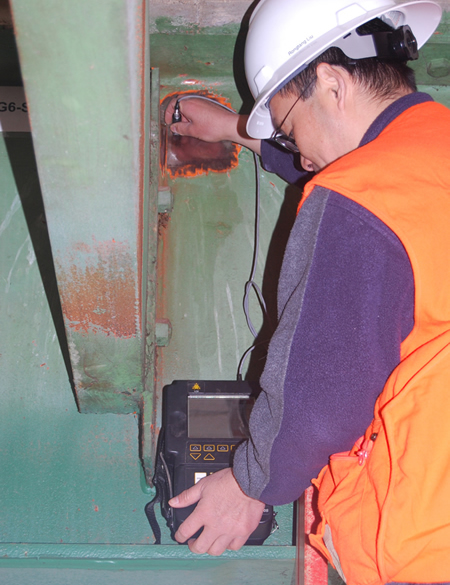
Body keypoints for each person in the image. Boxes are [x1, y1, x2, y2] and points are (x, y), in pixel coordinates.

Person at [165, 0, 450, 583]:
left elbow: (323, 387)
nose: (301, 156)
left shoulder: (358, 197)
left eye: (290, 129)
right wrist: (236, 132)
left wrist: (251, 484)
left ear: (331, 82)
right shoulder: (429, 155)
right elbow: (378, 197)